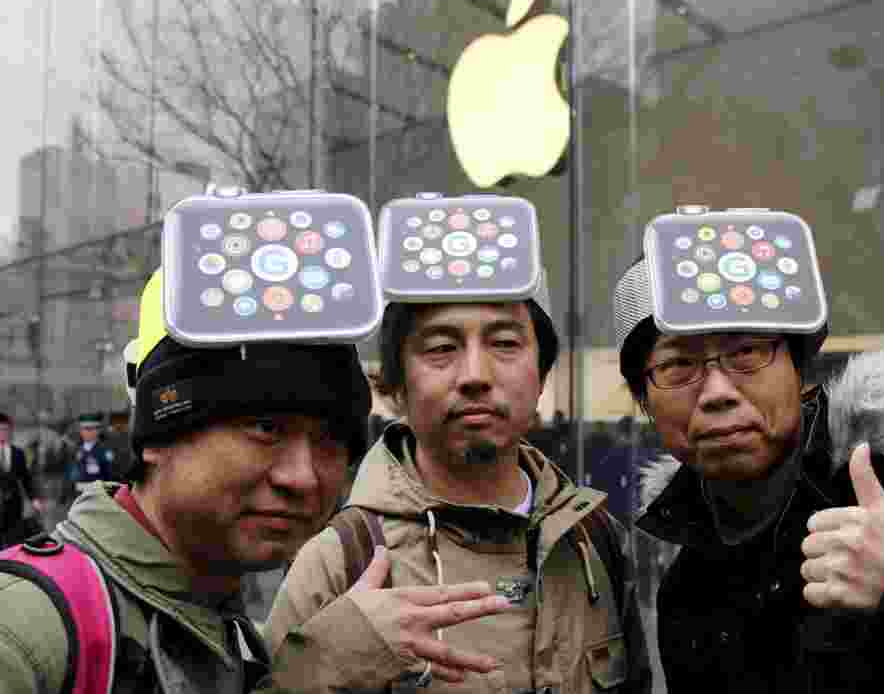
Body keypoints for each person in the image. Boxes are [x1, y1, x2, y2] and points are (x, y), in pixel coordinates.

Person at [0, 269, 510, 693]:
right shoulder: (23, 631)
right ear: (156, 438)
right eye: (265, 429)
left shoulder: (234, 634)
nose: (304, 477)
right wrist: (315, 673)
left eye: (331, 441)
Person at [614, 237, 884, 692]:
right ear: (644, 401)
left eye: (746, 351)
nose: (717, 392)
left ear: (799, 369)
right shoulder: (686, 593)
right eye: (677, 365)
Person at [265, 231, 651, 691]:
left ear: (542, 374)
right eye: (441, 348)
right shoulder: (341, 559)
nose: (475, 375)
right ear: (397, 386)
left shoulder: (594, 540)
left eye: (505, 343)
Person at [0, 412, 42, 548]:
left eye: (5, 429)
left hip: (14, 503)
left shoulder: (18, 453)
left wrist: (34, 499)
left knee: (14, 537)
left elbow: (25, 478)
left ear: (10, 431)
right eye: (0, 429)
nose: (2, 433)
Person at [65, 412, 118, 497]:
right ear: (80, 431)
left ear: (98, 430)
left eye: (92, 429)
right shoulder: (75, 451)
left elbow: (110, 476)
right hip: (78, 496)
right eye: (85, 429)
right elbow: (69, 476)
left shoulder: (104, 452)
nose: (88, 432)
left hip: (99, 495)